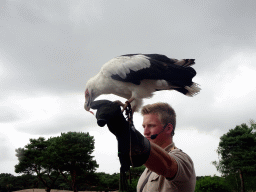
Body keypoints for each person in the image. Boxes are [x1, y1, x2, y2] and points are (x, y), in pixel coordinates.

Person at [91, 100, 196, 192]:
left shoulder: (183, 159)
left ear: (168, 128)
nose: (145, 132)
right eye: (144, 126)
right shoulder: (148, 167)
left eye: (151, 126)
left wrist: (125, 131)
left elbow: (167, 165)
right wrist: (124, 133)